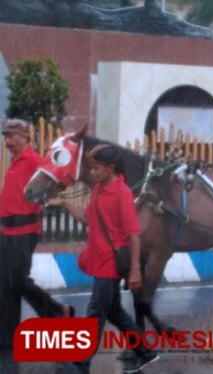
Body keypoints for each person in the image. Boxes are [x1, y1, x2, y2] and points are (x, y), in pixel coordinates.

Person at [47, 144, 159, 374]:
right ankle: (146, 352)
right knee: (114, 311)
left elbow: (133, 234)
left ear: (110, 168)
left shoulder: (122, 193)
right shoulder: (98, 189)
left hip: (111, 261)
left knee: (95, 311)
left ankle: (81, 363)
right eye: (91, 168)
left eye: (96, 168)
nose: (92, 172)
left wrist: (135, 269)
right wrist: (66, 204)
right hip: (98, 259)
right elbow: (89, 219)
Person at [0, 119, 75, 352]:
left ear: (24, 137)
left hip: (24, 230)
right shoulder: (14, 161)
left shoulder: (33, 160)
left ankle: (57, 312)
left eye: (11, 136)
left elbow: (55, 179)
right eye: (6, 136)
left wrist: (50, 199)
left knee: (18, 280)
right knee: (5, 284)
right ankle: (7, 337)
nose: (7, 140)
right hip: (6, 229)